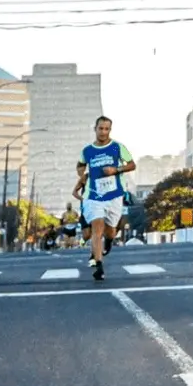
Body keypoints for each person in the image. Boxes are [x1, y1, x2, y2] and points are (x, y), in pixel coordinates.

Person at [76, 116, 136, 280]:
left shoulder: (117, 147)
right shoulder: (87, 150)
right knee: (97, 229)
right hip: (93, 196)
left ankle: (109, 242)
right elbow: (80, 165)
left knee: (110, 231)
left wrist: (115, 170)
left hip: (114, 195)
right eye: (100, 128)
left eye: (106, 129)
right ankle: (99, 266)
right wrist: (83, 176)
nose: (103, 132)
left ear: (110, 130)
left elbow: (131, 164)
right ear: (95, 129)